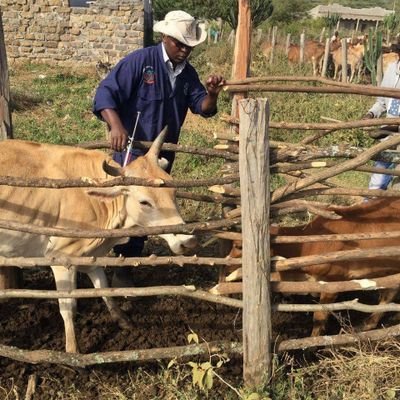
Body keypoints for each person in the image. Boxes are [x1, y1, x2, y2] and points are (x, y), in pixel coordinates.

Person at [93, 10, 226, 286]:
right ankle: (114, 259)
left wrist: (212, 95)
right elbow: (106, 93)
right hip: (131, 151)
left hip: (162, 155)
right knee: (125, 206)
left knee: (154, 205)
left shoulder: (188, 74)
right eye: (179, 43)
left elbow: (202, 107)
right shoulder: (140, 62)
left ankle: (128, 265)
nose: (185, 50)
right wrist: (115, 125)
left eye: (189, 45)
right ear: (165, 37)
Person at [362, 43, 400, 191]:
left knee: (398, 186)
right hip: (388, 134)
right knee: (377, 181)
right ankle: (370, 207)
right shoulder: (392, 70)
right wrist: (371, 114)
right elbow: (381, 102)